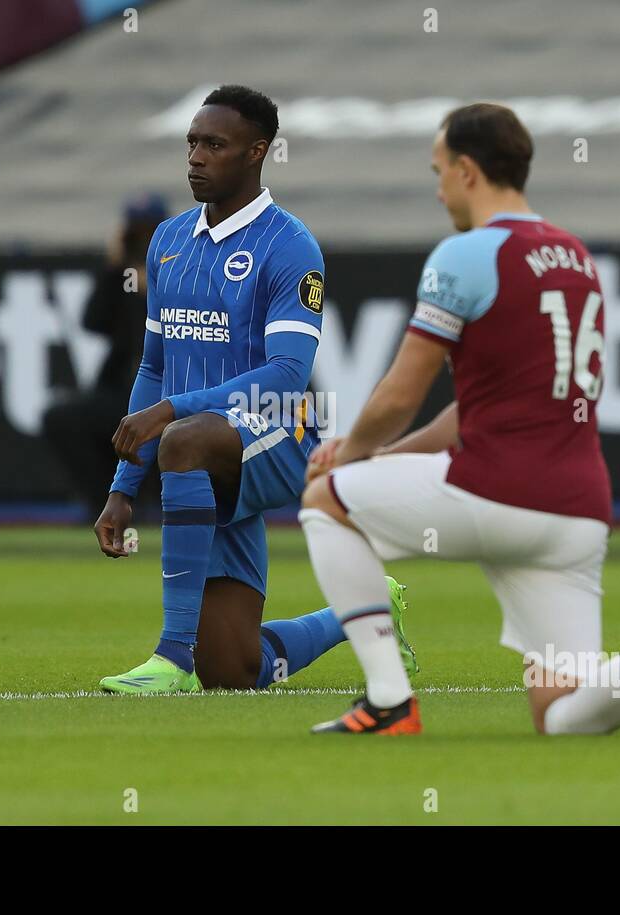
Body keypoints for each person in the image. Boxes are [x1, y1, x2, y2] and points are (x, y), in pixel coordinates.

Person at [299, 103, 620, 735]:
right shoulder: (575, 256)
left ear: (468, 171)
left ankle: (389, 701)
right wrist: (384, 459)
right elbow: (481, 406)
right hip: (576, 513)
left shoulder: (466, 254)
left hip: (493, 491)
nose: (438, 187)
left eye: (440, 170)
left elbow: (399, 393)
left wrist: (346, 457)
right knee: (561, 715)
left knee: (324, 502)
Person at [93, 85, 417, 693]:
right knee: (237, 670)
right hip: (201, 452)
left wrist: (169, 415)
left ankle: (172, 656)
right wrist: (122, 489)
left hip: (281, 429)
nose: (196, 157)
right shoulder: (167, 242)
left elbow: (287, 375)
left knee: (184, 440)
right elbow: (154, 369)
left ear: (256, 152)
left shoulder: (289, 246)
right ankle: (366, 607)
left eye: (214, 144)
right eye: (192, 142)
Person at [42, 194, 167, 519]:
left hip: (170, 392)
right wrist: (115, 267)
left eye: (150, 232)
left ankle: (155, 504)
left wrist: (150, 289)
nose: (143, 241)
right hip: (122, 390)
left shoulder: (182, 271)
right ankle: (104, 504)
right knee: (63, 417)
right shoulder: (121, 277)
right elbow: (92, 321)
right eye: (137, 233)